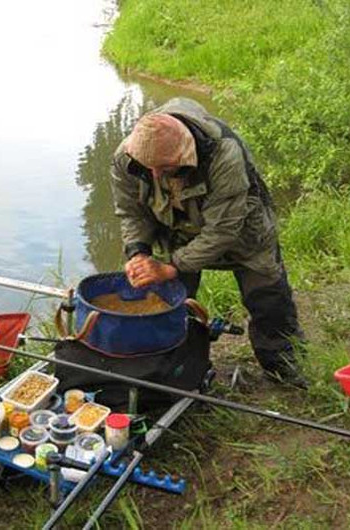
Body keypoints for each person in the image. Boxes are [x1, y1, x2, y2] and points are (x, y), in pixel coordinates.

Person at [110, 97, 307, 388]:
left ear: (185, 155)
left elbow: (223, 230)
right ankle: (177, 370)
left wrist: (172, 266)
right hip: (176, 230)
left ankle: (285, 370)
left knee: (268, 301)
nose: (154, 175)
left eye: (164, 169)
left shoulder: (224, 154)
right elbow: (131, 212)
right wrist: (138, 251)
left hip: (243, 232)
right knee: (168, 302)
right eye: (147, 168)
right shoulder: (127, 157)